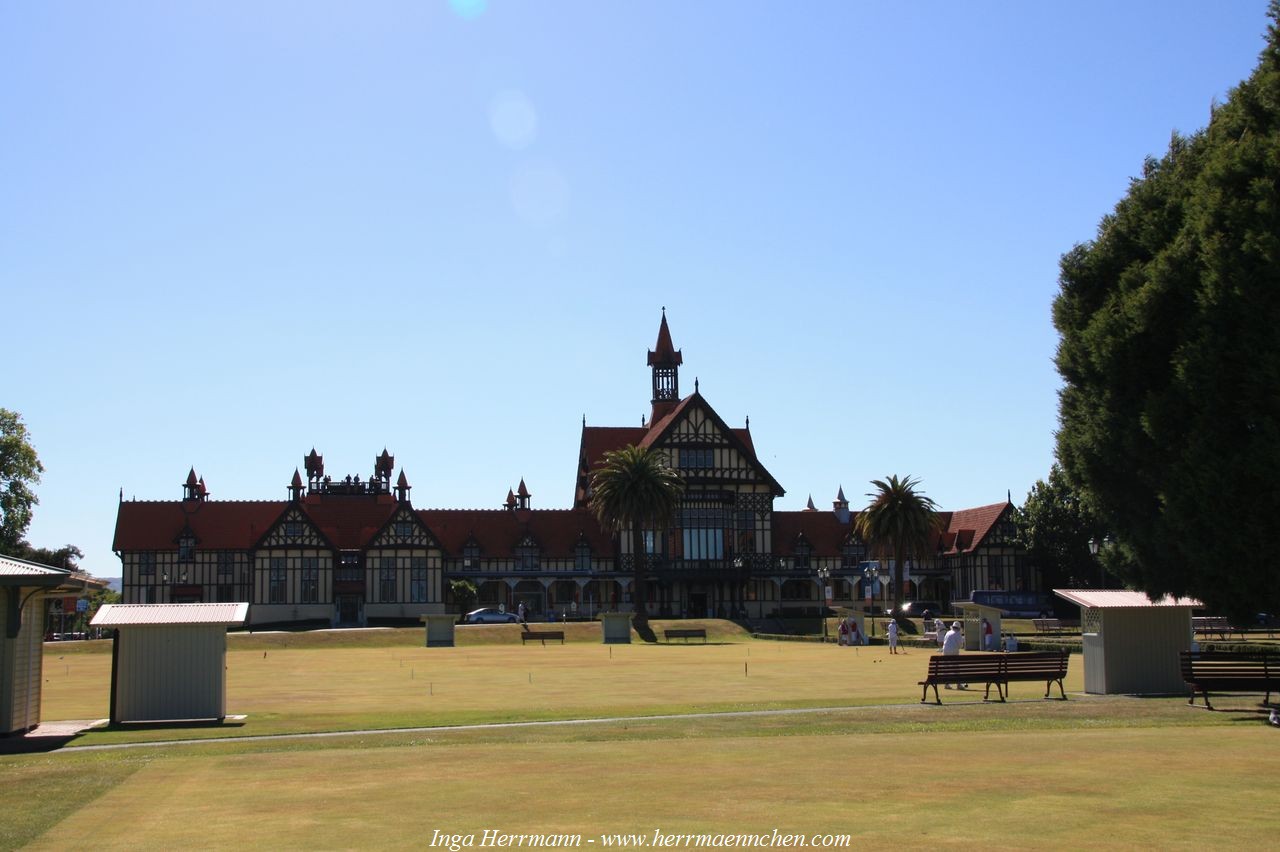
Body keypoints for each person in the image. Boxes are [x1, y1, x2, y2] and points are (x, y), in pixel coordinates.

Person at [942, 621, 966, 689]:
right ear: (958, 628)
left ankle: (946, 684)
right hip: (953, 652)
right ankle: (958, 684)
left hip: (945, 651)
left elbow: (944, 642)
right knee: (956, 668)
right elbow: (960, 645)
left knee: (946, 667)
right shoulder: (958, 633)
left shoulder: (948, 632)